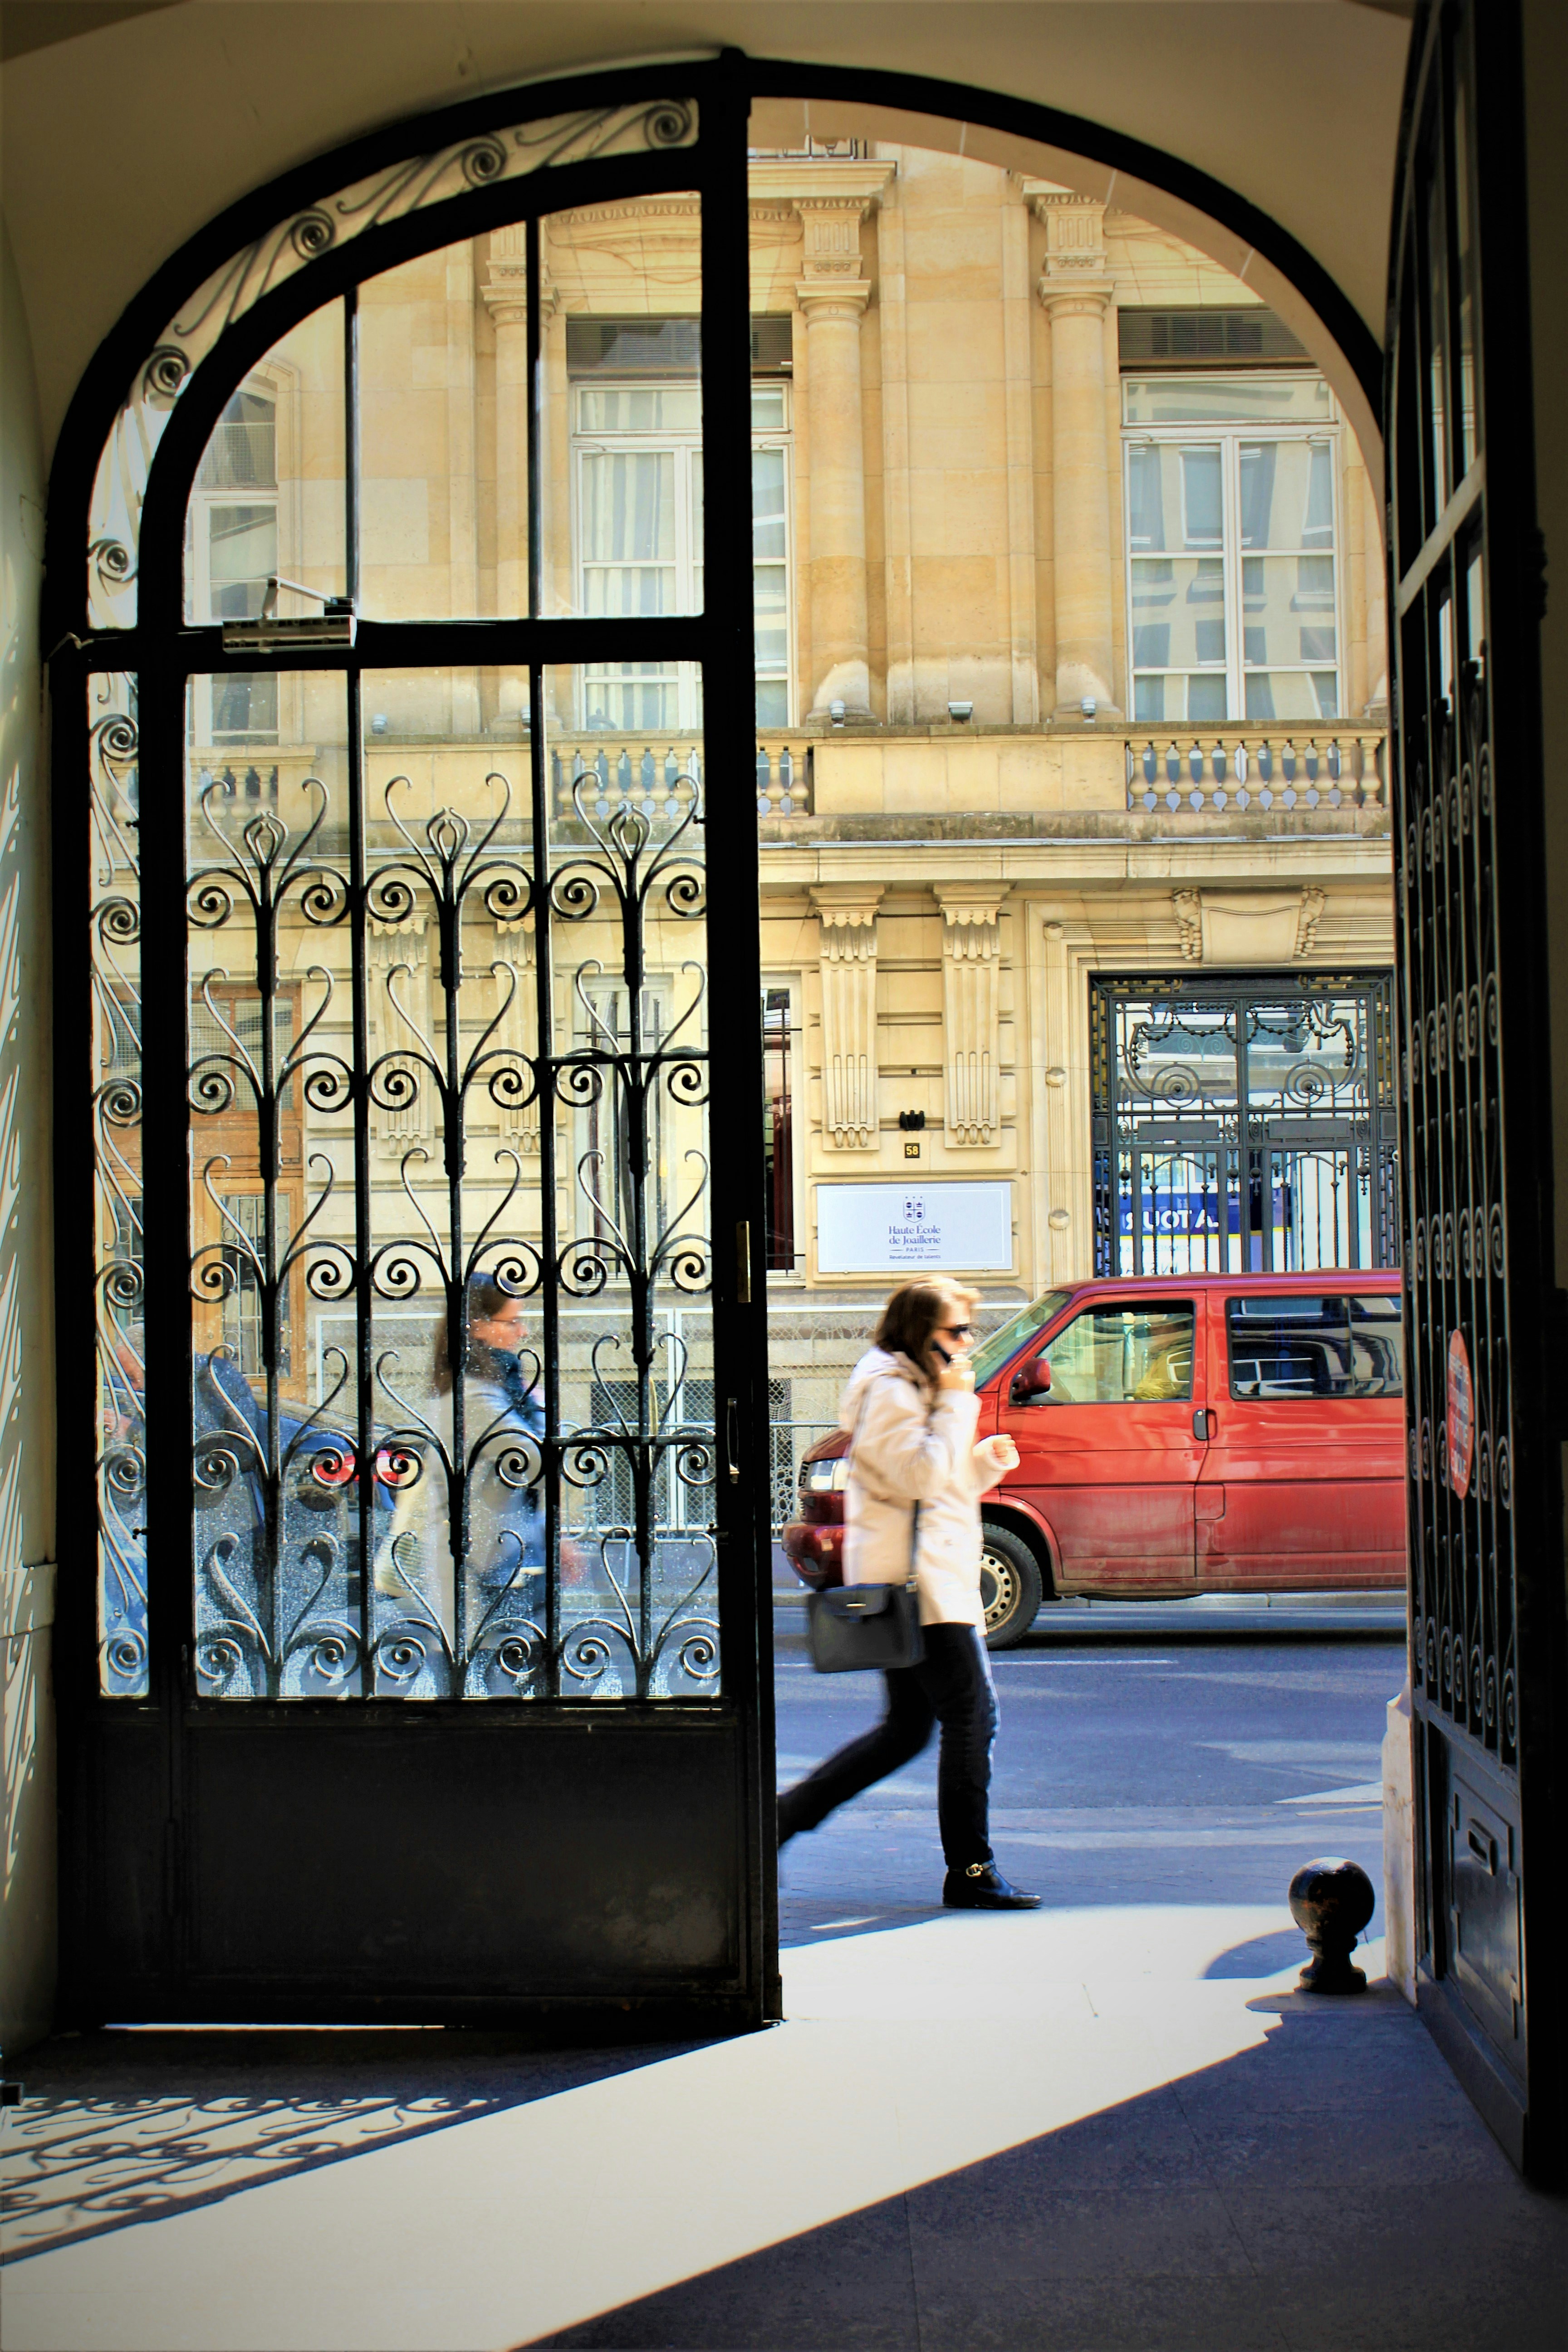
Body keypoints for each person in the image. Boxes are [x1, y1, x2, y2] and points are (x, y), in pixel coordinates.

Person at [777, 1278, 1041, 1910]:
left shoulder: (910, 1388)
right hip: (922, 1587)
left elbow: (930, 1486)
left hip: (924, 1577)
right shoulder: (895, 1391)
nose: (966, 1343)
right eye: (955, 1331)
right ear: (919, 1332)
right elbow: (919, 1475)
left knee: (907, 1729)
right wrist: (956, 1405)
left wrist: (983, 1465)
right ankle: (971, 1870)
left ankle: (783, 1820)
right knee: (973, 1719)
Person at [376, 1274, 547, 1637]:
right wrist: (544, 1413)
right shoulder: (475, 1396)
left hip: (491, 1562)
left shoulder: (482, 1386)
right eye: (513, 1321)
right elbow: (535, 1460)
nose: (524, 1332)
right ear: (480, 1327)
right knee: (478, 1677)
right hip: (480, 1569)